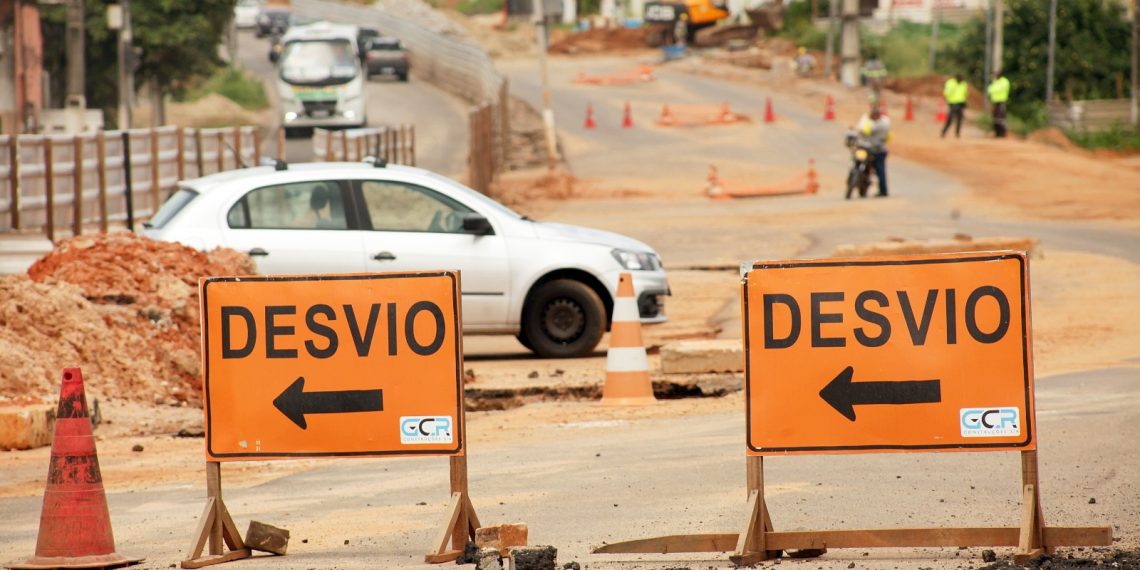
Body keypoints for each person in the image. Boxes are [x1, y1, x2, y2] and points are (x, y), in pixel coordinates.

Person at [855, 104, 891, 198]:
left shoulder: (876, 125)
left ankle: (883, 191)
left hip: (877, 151)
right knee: (880, 171)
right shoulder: (886, 123)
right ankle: (883, 190)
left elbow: (864, 130)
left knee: (880, 171)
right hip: (879, 149)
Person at [941, 73, 968, 138]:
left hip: (961, 103)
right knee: (950, 119)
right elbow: (946, 92)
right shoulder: (951, 83)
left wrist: (965, 102)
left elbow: (965, 93)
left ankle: (957, 133)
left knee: (959, 119)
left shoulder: (963, 84)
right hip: (953, 103)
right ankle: (944, 132)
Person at [987, 70, 1011, 138]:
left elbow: (996, 89)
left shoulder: (1005, 81)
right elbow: (989, 90)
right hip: (995, 101)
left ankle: (1003, 132)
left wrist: (994, 90)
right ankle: (997, 133)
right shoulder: (995, 81)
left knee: (1001, 117)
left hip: (1001, 101)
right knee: (995, 117)